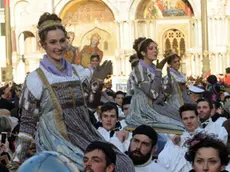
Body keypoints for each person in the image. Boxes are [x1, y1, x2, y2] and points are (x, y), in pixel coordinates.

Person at [8, 12, 134, 172]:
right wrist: (17, 160)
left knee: (123, 164)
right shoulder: (35, 79)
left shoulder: (79, 72)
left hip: (84, 133)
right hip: (55, 141)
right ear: (43, 45)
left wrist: (97, 83)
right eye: (52, 42)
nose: (59, 47)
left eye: (62, 41)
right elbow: (27, 124)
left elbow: (89, 110)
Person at [126, 37, 183, 130]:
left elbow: (163, 94)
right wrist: (159, 71)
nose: (155, 51)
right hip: (145, 110)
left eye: (156, 48)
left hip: (157, 105)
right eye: (151, 48)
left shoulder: (153, 67)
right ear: (143, 53)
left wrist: (168, 81)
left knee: (182, 117)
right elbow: (153, 94)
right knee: (178, 126)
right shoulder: (139, 69)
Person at [158, 104, 202, 172]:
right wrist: (176, 147)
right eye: (185, 118)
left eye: (192, 117)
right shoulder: (175, 138)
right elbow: (163, 159)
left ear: (198, 117)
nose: (189, 121)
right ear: (181, 120)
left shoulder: (207, 136)